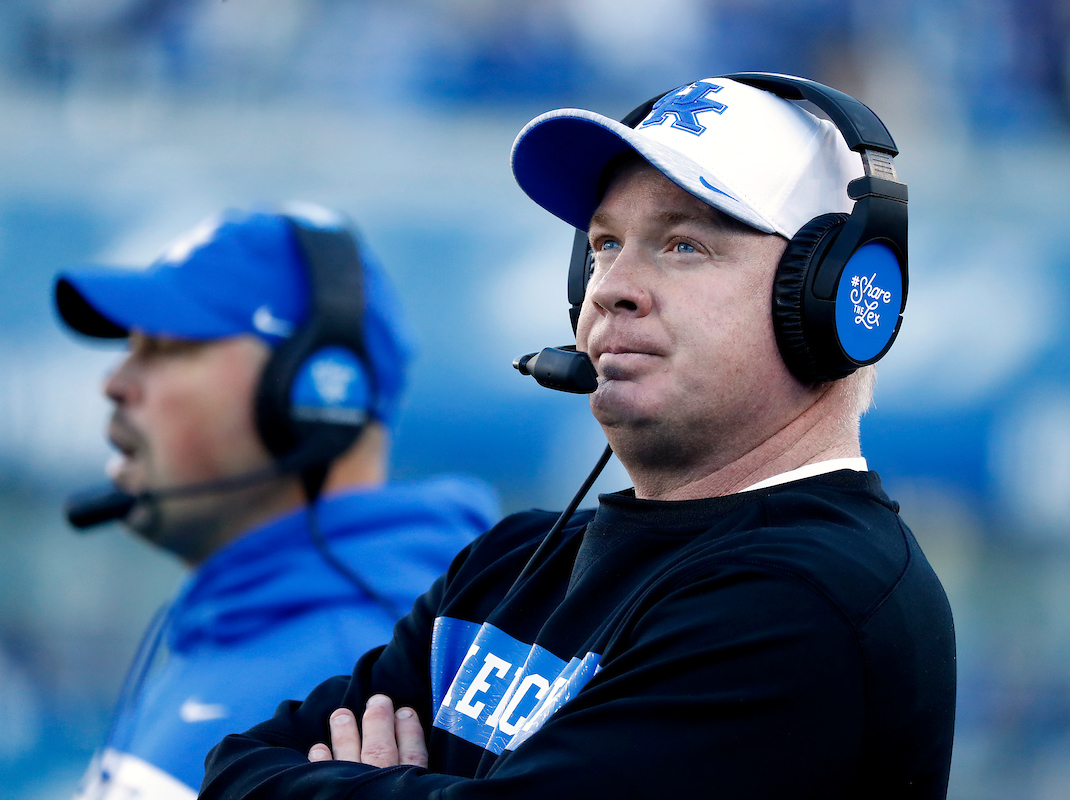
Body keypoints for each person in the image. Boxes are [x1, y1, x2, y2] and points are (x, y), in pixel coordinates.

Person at [199, 75, 956, 799]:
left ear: (835, 301)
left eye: (683, 245)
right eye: (602, 244)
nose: (610, 287)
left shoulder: (803, 601)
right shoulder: (505, 567)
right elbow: (233, 768)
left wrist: (364, 783)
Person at [56, 205, 499, 800]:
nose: (115, 382)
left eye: (167, 346)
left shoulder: (368, 673)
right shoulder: (230, 624)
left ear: (314, 391)